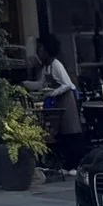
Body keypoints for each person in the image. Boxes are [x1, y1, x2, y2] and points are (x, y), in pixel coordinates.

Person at [28, 32, 84, 172]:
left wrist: (53, 93)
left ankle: (75, 164)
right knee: (62, 132)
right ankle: (67, 164)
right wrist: (25, 84)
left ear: (47, 50)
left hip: (67, 100)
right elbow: (41, 84)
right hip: (58, 102)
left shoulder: (56, 65)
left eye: (40, 49)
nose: (39, 53)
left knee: (71, 131)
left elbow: (67, 84)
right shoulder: (46, 67)